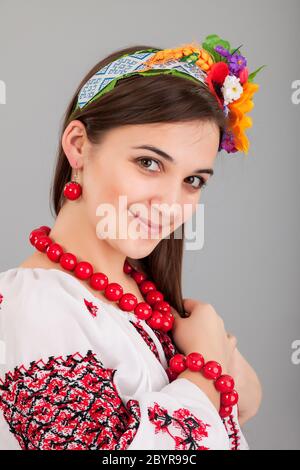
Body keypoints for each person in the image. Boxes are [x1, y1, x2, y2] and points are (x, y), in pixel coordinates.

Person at [0, 36, 263, 450]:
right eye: (149, 163)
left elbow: (248, 398)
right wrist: (208, 366)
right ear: (79, 146)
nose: (171, 205)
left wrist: (217, 363)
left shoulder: (150, 301)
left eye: (193, 180)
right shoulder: (33, 308)